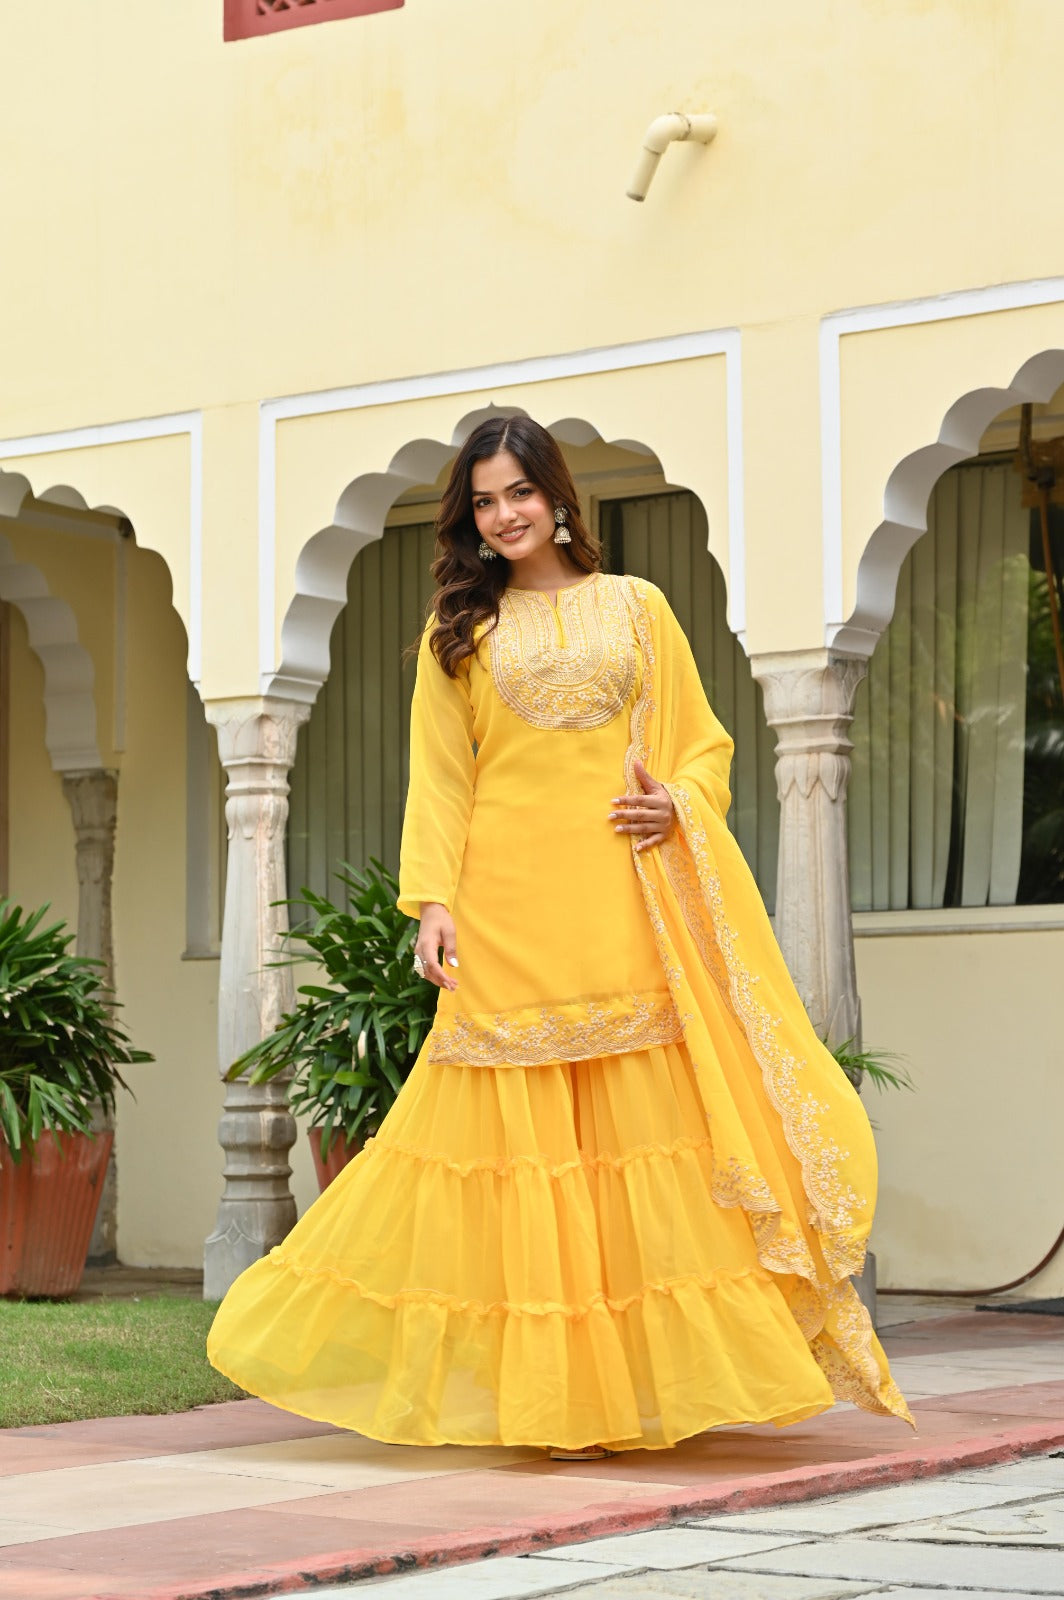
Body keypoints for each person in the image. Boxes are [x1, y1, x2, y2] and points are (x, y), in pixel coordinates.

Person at [207, 414, 911, 1457]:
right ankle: (538, 1393)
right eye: (483, 502)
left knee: (641, 1140)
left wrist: (674, 802)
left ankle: (643, 1389)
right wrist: (433, 902)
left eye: (517, 493)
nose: (503, 516)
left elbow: (702, 746)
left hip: (624, 904)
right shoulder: (460, 635)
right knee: (509, 1148)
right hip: (506, 911)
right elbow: (442, 779)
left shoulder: (636, 609)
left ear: (556, 493)